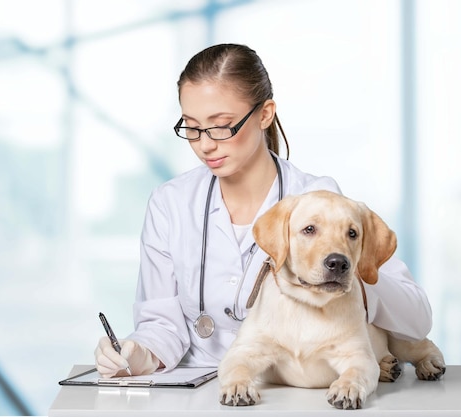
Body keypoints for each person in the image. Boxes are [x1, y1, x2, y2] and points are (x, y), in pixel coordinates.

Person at [94, 43, 432, 377]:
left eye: (221, 125)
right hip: (195, 392)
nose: (205, 144)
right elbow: (161, 324)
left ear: (264, 114)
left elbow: (416, 319)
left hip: (285, 391)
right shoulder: (170, 203)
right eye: (192, 127)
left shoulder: (315, 198)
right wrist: (138, 353)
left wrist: (354, 268)